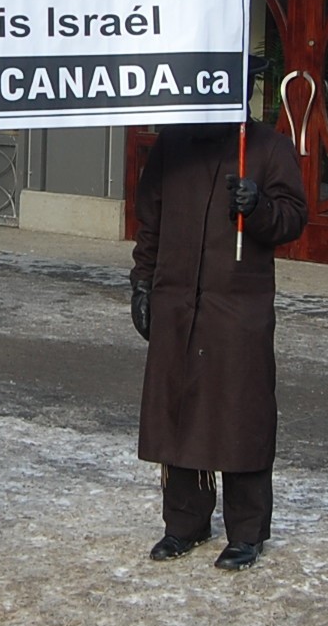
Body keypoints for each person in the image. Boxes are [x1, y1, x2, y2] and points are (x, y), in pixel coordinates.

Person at [129, 84, 307, 570]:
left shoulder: (268, 147)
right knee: (179, 412)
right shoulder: (174, 142)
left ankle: (247, 532)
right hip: (177, 301)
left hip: (238, 307)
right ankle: (184, 522)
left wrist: (260, 208)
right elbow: (151, 221)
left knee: (239, 415)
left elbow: (294, 217)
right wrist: (143, 282)